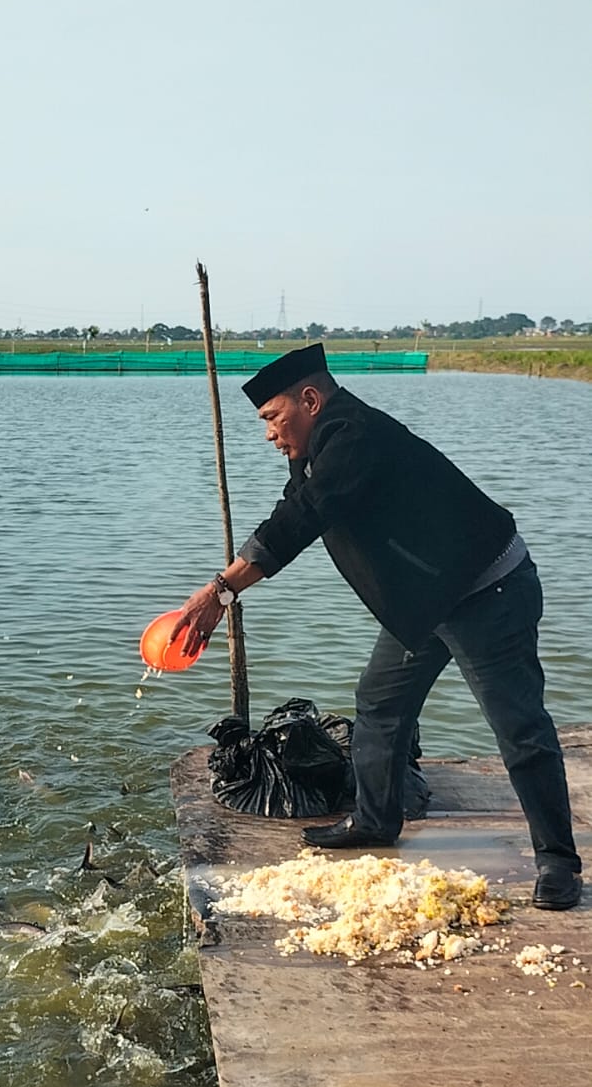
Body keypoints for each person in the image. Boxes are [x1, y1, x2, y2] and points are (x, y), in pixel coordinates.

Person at [172, 343, 583, 911]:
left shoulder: (356, 435)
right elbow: (292, 504)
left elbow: (305, 516)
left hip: (488, 592)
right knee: (380, 705)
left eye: (272, 418)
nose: (268, 434)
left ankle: (559, 861)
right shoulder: (316, 445)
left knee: (518, 726)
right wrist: (230, 577)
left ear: (310, 399)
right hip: (425, 602)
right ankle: (373, 821)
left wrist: (221, 590)